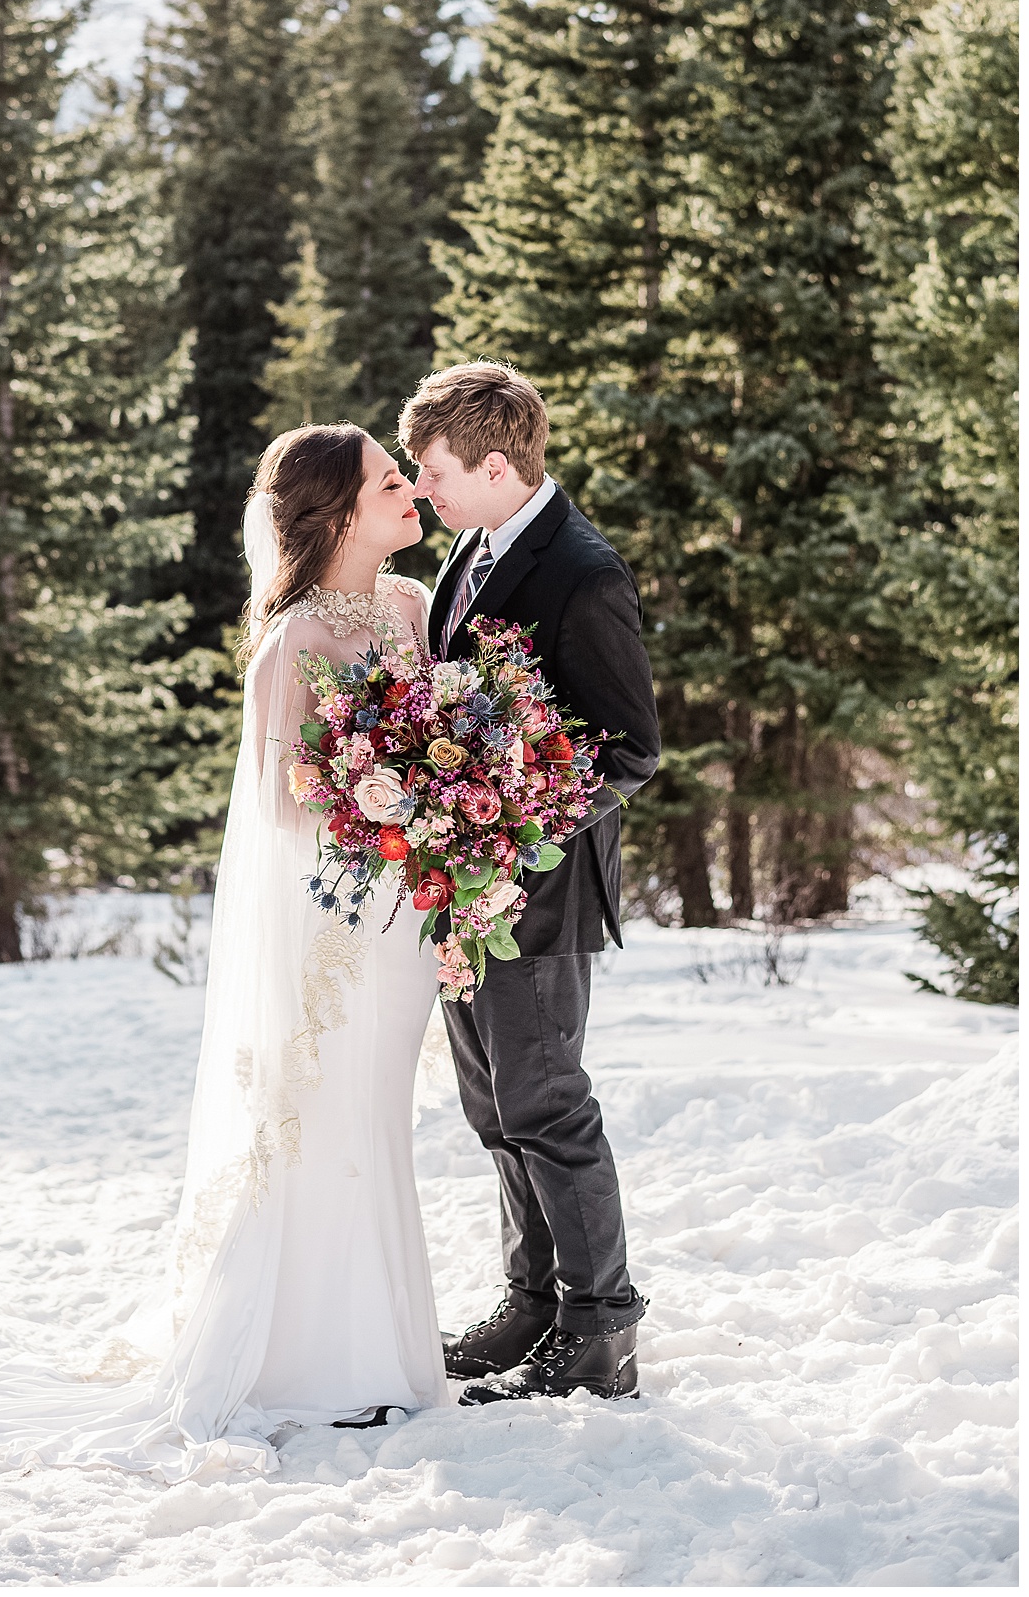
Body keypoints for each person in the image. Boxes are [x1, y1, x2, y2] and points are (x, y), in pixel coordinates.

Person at [0, 423, 450, 1480]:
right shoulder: (294, 644)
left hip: (404, 916)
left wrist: (442, 797)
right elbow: (276, 801)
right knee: (323, 1116)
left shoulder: (411, 605)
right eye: (388, 479)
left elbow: (452, 730)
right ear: (336, 515)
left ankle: (391, 1344)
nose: (409, 488)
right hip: (335, 927)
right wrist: (377, 791)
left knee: (381, 1119)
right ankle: (309, 1359)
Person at [398, 360, 661, 1405]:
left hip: (538, 894)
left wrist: (508, 829)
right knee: (493, 1104)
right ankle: (534, 1298)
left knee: (548, 1104)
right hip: (469, 890)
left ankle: (601, 1327)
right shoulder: (477, 540)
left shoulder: (583, 572)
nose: (424, 490)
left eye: (434, 470)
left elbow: (630, 748)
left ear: (496, 463)